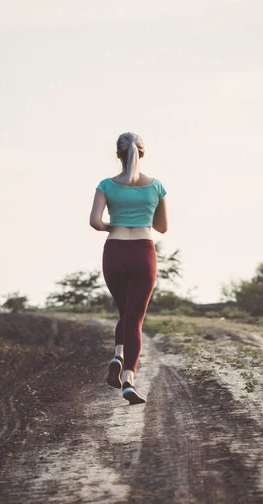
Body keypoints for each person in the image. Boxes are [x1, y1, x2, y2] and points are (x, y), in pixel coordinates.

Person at [89, 132, 168, 404]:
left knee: (125, 312)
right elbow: (162, 227)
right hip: (143, 253)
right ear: (142, 153)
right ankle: (128, 381)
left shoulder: (105, 185)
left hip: (114, 252)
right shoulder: (156, 186)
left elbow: (94, 221)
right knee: (134, 318)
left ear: (118, 154)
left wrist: (113, 225)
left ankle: (118, 355)